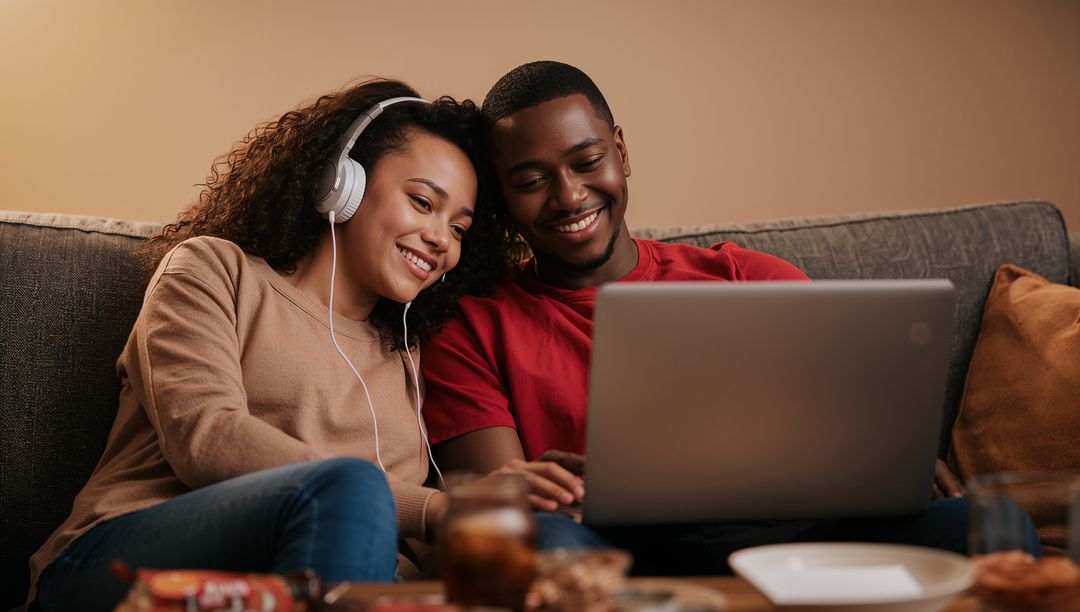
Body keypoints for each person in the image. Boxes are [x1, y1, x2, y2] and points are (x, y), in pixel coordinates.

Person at [420, 61, 999, 574]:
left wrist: (889, 459)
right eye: (531, 181)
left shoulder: (748, 277)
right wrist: (557, 490)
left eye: (587, 162)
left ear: (621, 152)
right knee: (538, 543)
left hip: (802, 533)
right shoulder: (472, 327)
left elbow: (857, 428)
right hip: (613, 549)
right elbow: (499, 509)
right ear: (501, 197)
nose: (569, 197)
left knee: (982, 522)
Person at [29, 78, 530, 611]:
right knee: (351, 488)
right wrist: (428, 509)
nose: (441, 239)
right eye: (423, 202)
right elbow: (206, 437)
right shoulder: (212, 271)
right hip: (120, 562)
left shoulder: (407, 353)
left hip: (315, 587)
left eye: (459, 229)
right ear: (343, 184)